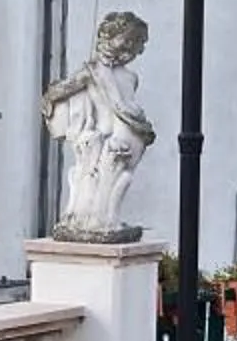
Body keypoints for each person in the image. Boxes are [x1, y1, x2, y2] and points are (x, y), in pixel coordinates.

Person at [42, 12, 156, 243]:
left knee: (121, 181)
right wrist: (50, 100)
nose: (131, 47)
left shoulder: (131, 77)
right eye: (126, 40)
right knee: (96, 184)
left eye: (136, 43)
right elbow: (59, 92)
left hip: (131, 135)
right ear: (107, 38)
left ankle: (105, 220)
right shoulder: (92, 71)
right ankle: (91, 221)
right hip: (103, 142)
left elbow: (126, 104)